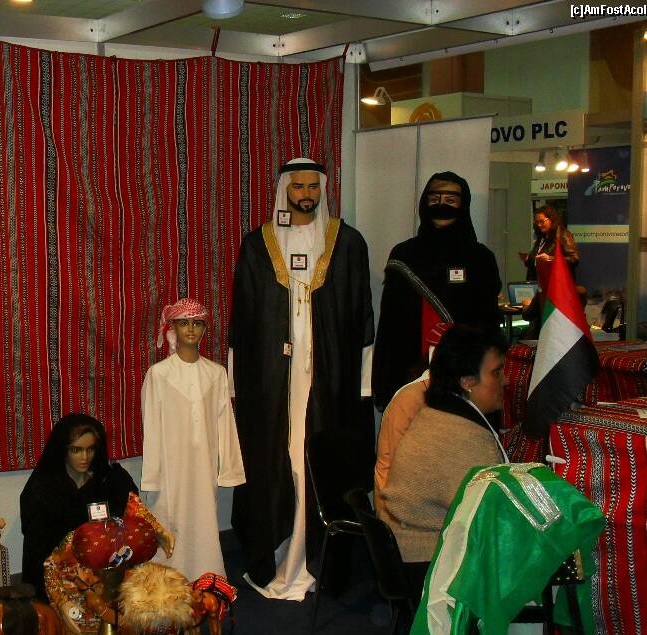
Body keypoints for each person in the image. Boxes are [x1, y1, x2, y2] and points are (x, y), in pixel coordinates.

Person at [229, 157, 374, 600]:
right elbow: (243, 322)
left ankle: (320, 563)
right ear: (284, 190)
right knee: (281, 462)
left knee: (316, 464)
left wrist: (363, 385)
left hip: (329, 379)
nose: (306, 194)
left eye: (313, 186)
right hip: (275, 381)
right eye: (299, 186)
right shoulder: (259, 245)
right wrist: (240, 385)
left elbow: (362, 316)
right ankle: (279, 557)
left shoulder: (347, 243)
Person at [377, 325, 508, 606]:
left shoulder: (437, 414)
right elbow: (492, 518)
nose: (505, 380)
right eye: (496, 372)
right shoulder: (463, 435)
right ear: (468, 381)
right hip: (428, 563)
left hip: (408, 551)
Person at [372, 172, 502, 411]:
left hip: (466, 374)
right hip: (411, 372)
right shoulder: (404, 255)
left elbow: (488, 321)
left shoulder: (480, 258)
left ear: (463, 204)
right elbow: (390, 326)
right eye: (434, 199)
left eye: (450, 200)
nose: (442, 205)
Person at [141, 297, 245, 581]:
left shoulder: (216, 373)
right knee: (170, 520)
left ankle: (206, 575)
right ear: (172, 327)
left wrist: (229, 469)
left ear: (204, 329)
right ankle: (168, 581)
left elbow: (226, 425)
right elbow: (152, 429)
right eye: (184, 323)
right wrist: (152, 476)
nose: (191, 329)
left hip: (203, 467)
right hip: (170, 469)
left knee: (203, 519)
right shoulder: (159, 375)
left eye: (197, 323)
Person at [19, 413, 137, 600]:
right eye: (76, 450)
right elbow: (37, 550)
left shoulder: (111, 482)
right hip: (57, 580)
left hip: (104, 575)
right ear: (63, 450)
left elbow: (133, 522)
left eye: (91, 449)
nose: (85, 457)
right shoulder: (43, 488)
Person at [522, 204, 580, 336]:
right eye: (537, 222)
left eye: (542, 221)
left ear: (551, 219)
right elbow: (537, 259)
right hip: (541, 287)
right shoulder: (542, 238)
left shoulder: (563, 235)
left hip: (556, 290)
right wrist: (529, 259)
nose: (539, 225)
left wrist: (551, 259)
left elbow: (574, 258)